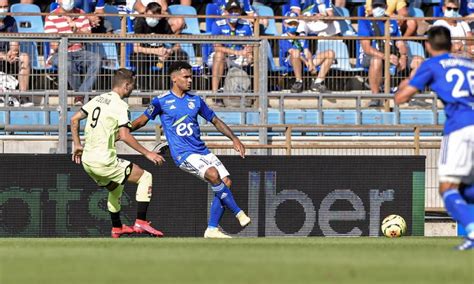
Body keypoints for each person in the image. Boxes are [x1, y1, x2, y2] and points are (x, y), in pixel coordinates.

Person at [131, 61, 251, 238]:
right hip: (183, 154)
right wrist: (125, 130)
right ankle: (239, 213)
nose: (190, 81)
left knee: (226, 182)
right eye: (186, 77)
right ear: (174, 78)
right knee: (213, 174)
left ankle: (211, 229)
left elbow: (215, 120)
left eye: (190, 77)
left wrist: (234, 139)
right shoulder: (161, 101)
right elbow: (142, 120)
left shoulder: (195, 100)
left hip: (201, 150)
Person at [395, 26, 474, 250]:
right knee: (466, 188)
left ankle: (472, 229)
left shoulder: (432, 64)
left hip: (459, 127)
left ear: (428, 46)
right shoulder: (469, 63)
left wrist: (403, 86)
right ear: (450, 44)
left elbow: (401, 98)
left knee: (447, 188)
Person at [71, 68, 165, 238]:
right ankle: (141, 222)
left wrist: (77, 144)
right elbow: (125, 135)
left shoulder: (98, 99)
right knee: (145, 177)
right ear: (127, 85)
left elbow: (74, 119)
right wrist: (147, 153)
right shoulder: (120, 105)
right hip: (104, 161)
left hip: (87, 161)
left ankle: (117, 227)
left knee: (116, 188)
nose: (133, 89)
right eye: (133, 86)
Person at [358, 0, 419, 107]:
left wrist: (403, 56)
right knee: (377, 61)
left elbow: (399, 42)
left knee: (419, 61)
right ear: (371, 7)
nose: (378, 8)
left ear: (386, 7)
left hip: (392, 54)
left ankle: (412, 94)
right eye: (375, 6)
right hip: (371, 56)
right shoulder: (365, 21)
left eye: (380, 6)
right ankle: (375, 97)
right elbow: (367, 48)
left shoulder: (392, 21)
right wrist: (386, 57)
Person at [44, 0, 102, 105]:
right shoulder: (51, 17)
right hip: (59, 54)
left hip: (79, 52)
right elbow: (54, 45)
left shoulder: (81, 13)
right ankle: (82, 96)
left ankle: (80, 95)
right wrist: (76, 37)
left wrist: (75, 29)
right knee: (67, 63)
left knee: (96, 59)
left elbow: (88, 36)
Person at [209, 0, 253, 105]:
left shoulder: (245, 25)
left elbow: (250, 44)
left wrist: (249, 52)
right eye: (231, 11)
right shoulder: (218, 24)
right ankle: (215, 93)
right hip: (222, 56)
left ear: (240, 11)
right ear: (226, 12)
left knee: (258, 56)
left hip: (240, 56)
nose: (234, 13)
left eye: (236, 11)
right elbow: (217, 47)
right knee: (219, 56)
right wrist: (237, 52)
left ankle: (257, 94)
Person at [279, 12, 334, 93]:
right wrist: (307, 62)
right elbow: (293, 52)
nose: (293, 26)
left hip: (305, 60)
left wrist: (311, 63)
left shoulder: (301, 36)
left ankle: (318, 82)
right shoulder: (282, 37)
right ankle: (298, 82)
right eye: (291, 23)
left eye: (295, 23)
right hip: (291, 60)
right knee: (296, 53)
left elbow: (306, 51)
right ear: (285, 24)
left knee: (330, 53)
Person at [0, 0, 32, 107]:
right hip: (2, 58)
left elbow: (15, 43)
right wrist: (4, 56)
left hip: (8, 58)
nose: (3, 9)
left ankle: (23, 96)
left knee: (25, 57)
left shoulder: (11, 20)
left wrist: (13, 52)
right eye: (0, 7)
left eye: (5, 6)